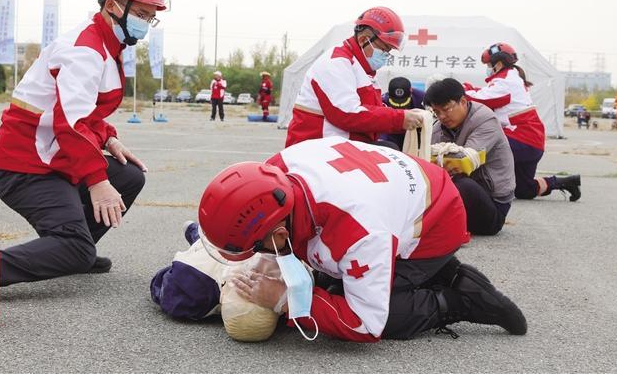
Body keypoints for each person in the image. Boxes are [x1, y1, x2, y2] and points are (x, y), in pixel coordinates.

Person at [196, 137, 527, 342]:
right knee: (325, 286)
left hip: (435, 220)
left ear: (280, 233)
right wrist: (275, 266)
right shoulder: (279, 168)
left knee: (378, 313)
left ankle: (459, 299)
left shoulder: (358, 232)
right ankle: (445, 273)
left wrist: (285, 300)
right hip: (397, 195)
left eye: (258, 247)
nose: (258, 254)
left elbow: (364, 325)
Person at [0, 0, 167, 286]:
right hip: (27, 168)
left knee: (129, 177)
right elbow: (70, 125)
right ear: (113, 6)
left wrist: (109, 138)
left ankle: (73, 245)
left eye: (151, 18)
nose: (146, 23)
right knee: (77, 245)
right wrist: (97, 183)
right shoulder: (85, 51)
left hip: (54, 158)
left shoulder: (105, 45)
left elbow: (86, 113)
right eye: (143, 15)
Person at [285, 6, 424, 147]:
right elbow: (347, 113)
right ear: (364, 40)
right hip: (318, 149)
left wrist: (404, 114)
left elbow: (372, 110)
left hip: (342, 147)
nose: (385, 55)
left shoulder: (363, 70)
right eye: (383, 49)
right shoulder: (336, 63)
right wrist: (400, 119)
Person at [465, 43, 581, 201]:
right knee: (524, 190)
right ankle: (565, 182)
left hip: (521, 139)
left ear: (498, 64)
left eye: (489, 65)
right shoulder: (509, 77)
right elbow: (484, 93)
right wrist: (466, 88)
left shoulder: (506, 81)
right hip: (530, 141)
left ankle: (473, 191)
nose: (488, 68)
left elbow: (480, 99)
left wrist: (458, 90)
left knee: (477, 151)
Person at [425, 79, 515, 236]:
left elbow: (466, 159)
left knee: (459, 182)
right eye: (436, 112)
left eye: (446, 109)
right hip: (464, 197)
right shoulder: (438, 128)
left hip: (492, 203)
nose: (442, 116)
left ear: (463, 102)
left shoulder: (485, 120)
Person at [379, 77, 426, 149]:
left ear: (411, 92)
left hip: (415, 133)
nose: (401, 109)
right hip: (392, 133)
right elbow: (381, 127)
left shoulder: (422, 98)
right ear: (389, 95)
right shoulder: (381, 102)